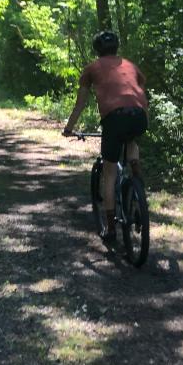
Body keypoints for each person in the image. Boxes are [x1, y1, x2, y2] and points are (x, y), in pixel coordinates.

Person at [63, 31, 149, 241]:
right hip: (139, 115)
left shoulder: (91, 68)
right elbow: (141, 91)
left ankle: (110, 228)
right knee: (131, 139)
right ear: (116, 47)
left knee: (109, 173)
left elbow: (81, 103)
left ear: (97, 50)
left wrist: (68, 128)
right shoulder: (131, 65)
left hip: (114, 118)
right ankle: (135, 167)